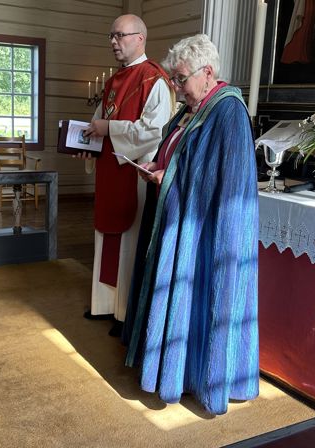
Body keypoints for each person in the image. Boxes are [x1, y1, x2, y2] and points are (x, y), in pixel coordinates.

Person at [122, 34, 259, 415]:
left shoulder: (227, 111)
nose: (176, 88)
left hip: (202, 230)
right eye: (175, 80)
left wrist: (168, 178)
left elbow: (225, 181)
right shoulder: (192, 108)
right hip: (176, 217)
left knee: (198, 298)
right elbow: (178, 150)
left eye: (180, 79)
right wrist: (157, 164)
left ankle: (193, 377)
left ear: (208, 73)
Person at [80, 14, 174, 336]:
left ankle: (124, 313)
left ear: (140, 38)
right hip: (109, 171)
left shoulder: (154, 80)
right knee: (107, 239)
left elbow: (154, 131)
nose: (113, 42)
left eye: (120, 35)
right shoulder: (113, 81)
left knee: (129, 241)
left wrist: (108, 129)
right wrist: (86, 143)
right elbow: (96, 126)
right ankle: (104, 304)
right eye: (111, 36)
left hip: (133, 173)